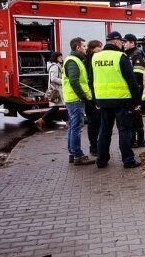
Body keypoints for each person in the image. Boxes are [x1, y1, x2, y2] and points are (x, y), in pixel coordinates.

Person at [92, 31, 141, 169]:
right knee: (124, 130)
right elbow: (132, 81)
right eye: (121, 41)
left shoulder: (95, 57)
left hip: (102, 100)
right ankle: (128, 160)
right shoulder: (121, 56)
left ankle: (101, 160)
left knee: (104, 131)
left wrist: (95, 99)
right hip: (121, 100)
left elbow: (92, 79)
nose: (123, 44)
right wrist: (137, 101)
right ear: (116, 41)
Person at [62, 37, 95, 166]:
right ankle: (78, 155)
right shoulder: (73, 61)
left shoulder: (74, 60)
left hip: (72, 98)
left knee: (72, 126)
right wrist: (82, 96)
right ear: (77, 47)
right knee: (77, 127)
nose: (86, 49)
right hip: (75, 99)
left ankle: (72, 153)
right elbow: (74, 81)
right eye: (84, 46)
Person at [123, 33, 145, 148]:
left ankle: (140, 140)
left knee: (136, 115)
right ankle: (133, 140)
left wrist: (135, 91)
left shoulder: (136, 55)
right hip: (132, 89)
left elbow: (138, 75)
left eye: (125, 42)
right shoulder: (129, 54)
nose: (124, 44)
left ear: (132, 42)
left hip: (136, 89)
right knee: (132, 116)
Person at [35, 52, 64, 131]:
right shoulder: (55, 66)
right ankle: (41, 120)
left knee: (56, 108)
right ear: (56, 58)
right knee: (63, 107)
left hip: (57, 90)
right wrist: (64, 81)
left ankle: (41, 121)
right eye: (60, 57)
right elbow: (53, 79)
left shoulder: (56, 65)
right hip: (57, 90)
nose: (62, 58)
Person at [84, 40, 103, 156]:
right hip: (92, 97)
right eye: (98, 47)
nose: (100, 49)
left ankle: (96, 146)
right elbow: (90, 80)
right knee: (93, 123)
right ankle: (94, 146)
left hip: (97, 95)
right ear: (92, 49)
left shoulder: (94, 59)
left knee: (98, 123)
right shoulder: (89, 61)